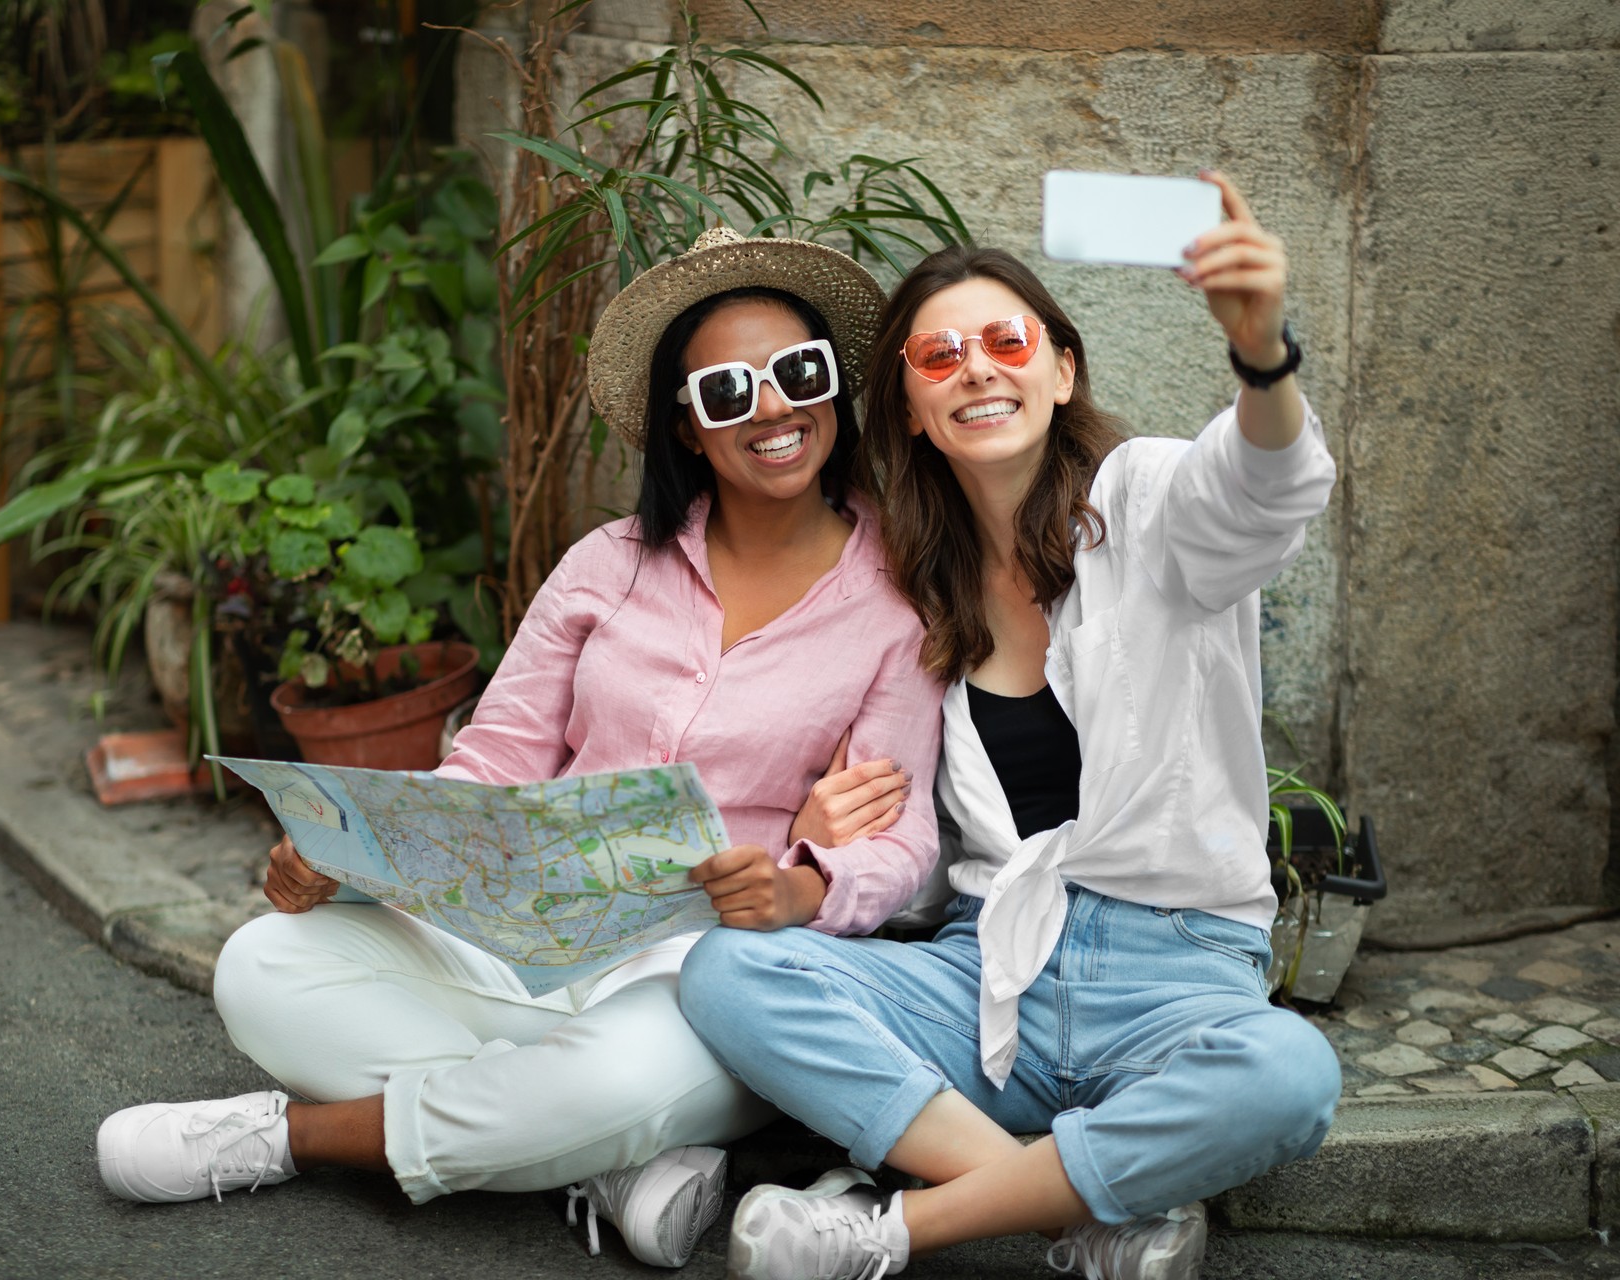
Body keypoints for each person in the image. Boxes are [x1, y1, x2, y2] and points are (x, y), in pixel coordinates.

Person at [92, 227, 948, 1270]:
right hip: (529, 933)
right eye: (728, 391)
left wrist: (802, 886)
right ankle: (591, 1158)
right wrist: (360, 852)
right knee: (261, 964)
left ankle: (289, 1137)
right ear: (687, 427)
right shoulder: (608, 564)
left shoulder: (895, 602)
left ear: (834, 387)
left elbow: (899, 845)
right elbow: (494, 756)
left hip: (711, 970)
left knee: (617, 1079)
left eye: (797, 373)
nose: (771, 408)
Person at [680, 172, 1342, 1280]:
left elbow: (1264, 492)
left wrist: (1262, 353)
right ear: (906, 404)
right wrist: (817, 831)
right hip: (988, 968)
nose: (977, 367)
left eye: (1006, 338)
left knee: (1289, 1074)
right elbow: (900, 842)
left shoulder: (1147, 501)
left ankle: (887, 1230)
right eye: (939, 357)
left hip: (1172, 967)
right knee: (728, 974)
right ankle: (1084, 1217)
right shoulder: (910, 583)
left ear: (1061, 365)